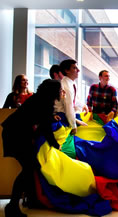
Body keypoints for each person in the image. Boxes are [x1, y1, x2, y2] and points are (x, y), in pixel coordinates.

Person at [2, 79, 62, 217]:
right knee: (28, 168)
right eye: (58, 89)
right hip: (16, 134)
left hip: (15, 132)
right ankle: (12, 206)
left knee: (30, 168)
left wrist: (52, 118)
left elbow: (40, 118)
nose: (60, 92)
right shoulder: (44, 102)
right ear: (53, 91)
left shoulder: (40, 99)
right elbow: (46, 127)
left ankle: (24, 202)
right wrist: (55, 144)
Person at [55, 59, 88, 135]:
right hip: (61, 117)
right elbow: (68, 107)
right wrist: (74, 126)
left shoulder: (71, 83)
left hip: (67, 114)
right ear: (67, 71)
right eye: (75, 68)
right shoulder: (66, 86)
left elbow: (74, 100)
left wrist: (83, 105)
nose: (78, 70)